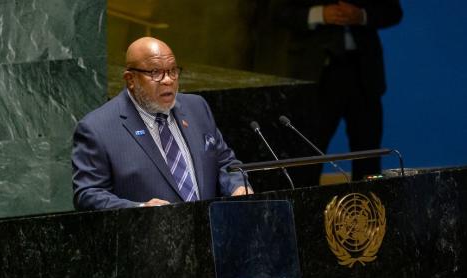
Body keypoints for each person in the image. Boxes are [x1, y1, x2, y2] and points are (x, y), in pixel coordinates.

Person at [72, 37, 252, 210]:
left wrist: (237, 186)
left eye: (173, 70)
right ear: (131, 80)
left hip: (210, 231)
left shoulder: (197, 108)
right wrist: (139, 209)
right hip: (148, 236)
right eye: (155, 73)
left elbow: (225, 163)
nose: (168, 80)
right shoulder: (97, 129)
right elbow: (88, 194)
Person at [259, 0, 402, 181]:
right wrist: (320, 14)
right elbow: (278, 12)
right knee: (308, 154)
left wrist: (362, 16)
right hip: (316, 75)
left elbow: (393, 11)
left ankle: (369, 208)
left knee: (368, 154)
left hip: (363, 72)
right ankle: (306, 208)